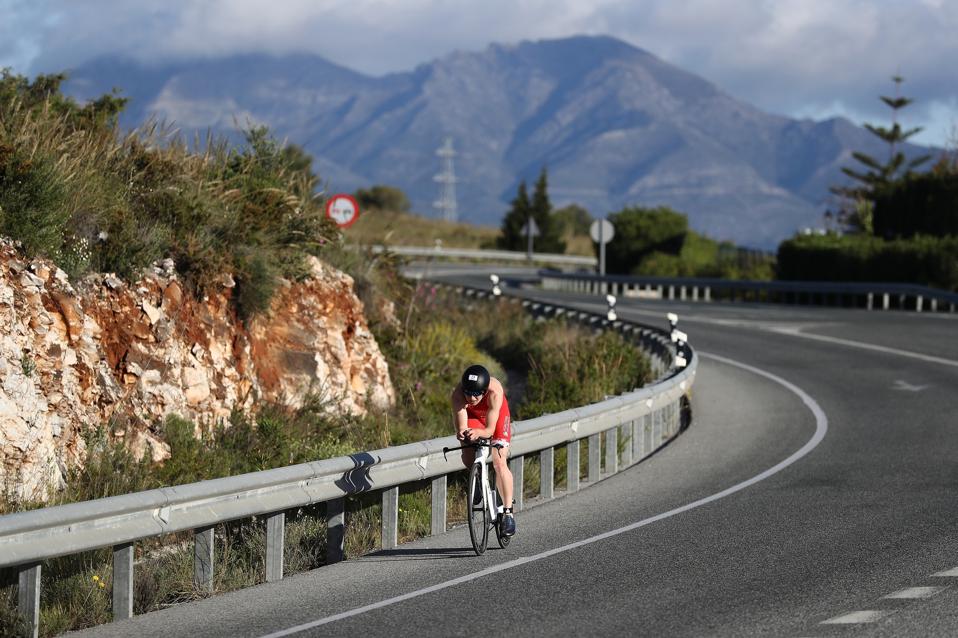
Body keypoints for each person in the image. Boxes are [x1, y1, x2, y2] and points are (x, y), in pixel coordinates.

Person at [451, 364, 516, 536]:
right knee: (466, 447)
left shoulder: (494, 393)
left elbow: (489, 430)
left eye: (476, 394)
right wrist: (463, 433)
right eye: (468, 393)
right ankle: (477, 480)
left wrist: (481, 433)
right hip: (473, 416)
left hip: (496, 415)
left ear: (484, 391)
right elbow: (462, 426)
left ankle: (508, 513)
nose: (471, 398)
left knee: (499, 461)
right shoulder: (458, 396)